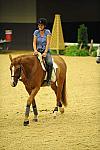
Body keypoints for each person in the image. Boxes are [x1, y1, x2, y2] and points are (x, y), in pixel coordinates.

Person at [33, 18, 53, 85]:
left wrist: (45, 52)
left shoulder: (47, 32)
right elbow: (34, 43)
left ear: (44, 26)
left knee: (50, 63)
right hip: (38, 51)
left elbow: (48, 43)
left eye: (41, 25)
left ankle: (49, 80)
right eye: (39, 25)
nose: (40, 26)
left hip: (45, 51)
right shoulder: (36, 32)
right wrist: (35, 50)